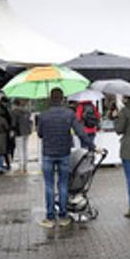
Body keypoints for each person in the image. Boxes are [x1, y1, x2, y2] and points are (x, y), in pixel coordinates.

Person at [37, 88, 96, 228]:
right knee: (63, 185)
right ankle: (63, 216)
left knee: (49, 186)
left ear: (50, 99)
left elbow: (40, 134)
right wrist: (92, 146)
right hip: (64, 153)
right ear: (62, 99)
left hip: (48, 154)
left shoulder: (43, 115)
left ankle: (50, 218)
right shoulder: (69, 114)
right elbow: (80, 132)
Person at [12, 99, 32, 174]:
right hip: (27, 131)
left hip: (19, 132)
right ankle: (25, 167)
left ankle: (20, 168)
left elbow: (13, 124)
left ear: (15, 105)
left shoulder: (15, 112)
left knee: (20, 150)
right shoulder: (27, 112)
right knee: (25, 149)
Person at [0, 96, 15, 171]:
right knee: (6, 148)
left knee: (4, 149)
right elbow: (9, 121)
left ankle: (2, 164)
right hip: (5, 131)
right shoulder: (5, 110)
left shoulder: (1, 110)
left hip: (2, 132)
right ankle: (6, 163)